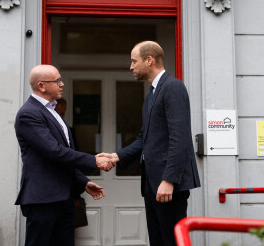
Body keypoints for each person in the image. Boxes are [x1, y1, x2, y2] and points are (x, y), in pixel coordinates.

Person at [97, 41, 200, 246]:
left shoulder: (173, 87)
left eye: (134, 61)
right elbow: (145, 139)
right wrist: (117, 156)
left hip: (167, 186)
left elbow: (179, 138)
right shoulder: (151, 94)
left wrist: (169, 179)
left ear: (149, 60)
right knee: (158, 241)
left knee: (171, 241)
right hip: (153, 185)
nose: (131, 66)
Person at [14, 64, 114, 246]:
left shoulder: (53, 111)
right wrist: (94, 161)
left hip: (64, 198)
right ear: (41, 85)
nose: (62, 84)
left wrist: (83, 181)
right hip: (43, 199)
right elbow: (54, 152)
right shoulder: (29, 114)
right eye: (57, 81)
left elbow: (63, 157)